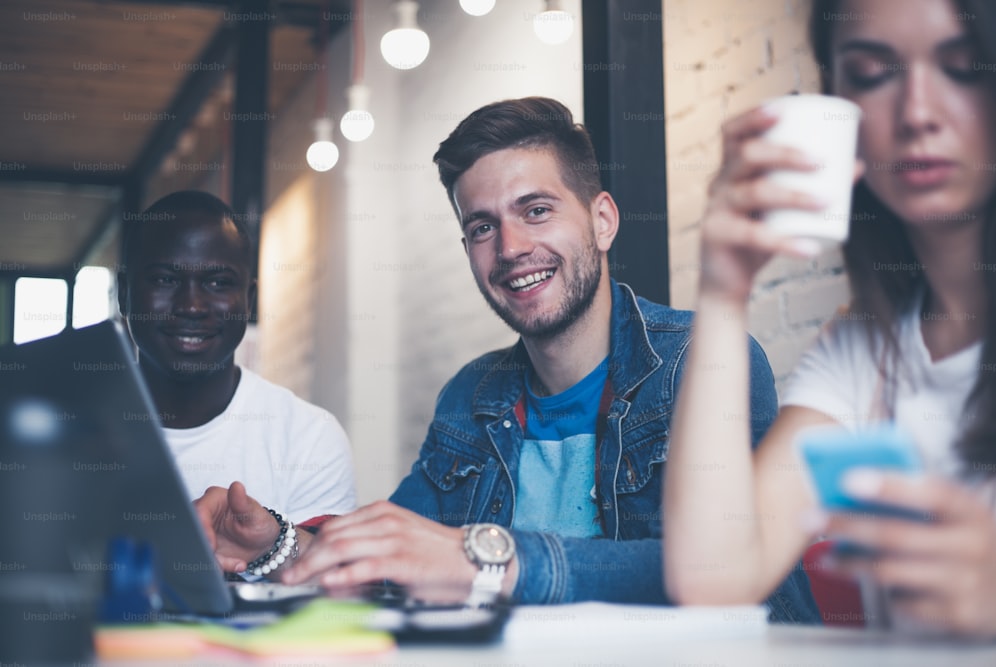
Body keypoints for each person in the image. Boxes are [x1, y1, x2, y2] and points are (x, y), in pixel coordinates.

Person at [196, 98, 818, 618]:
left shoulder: (702, 362)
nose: (512, 246)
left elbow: (729, 575)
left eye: (537, 210)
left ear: (602, 221)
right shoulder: (473, 395)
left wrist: (484, 560)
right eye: (482, 227)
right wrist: (278, 545)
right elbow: (400, 553)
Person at [663, 0, 996, 637]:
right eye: (873, 74)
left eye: (964, 66)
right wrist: (721, 291)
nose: (917, 113)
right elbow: (714, 576)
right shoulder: (860, 352)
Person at [117, 190, 357, 531]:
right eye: (165, 280)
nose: (191, 306)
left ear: (249, 300)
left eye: (217, 282)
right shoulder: (63, 431)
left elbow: (321, 576)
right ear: (123, 293)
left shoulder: (308, 439)